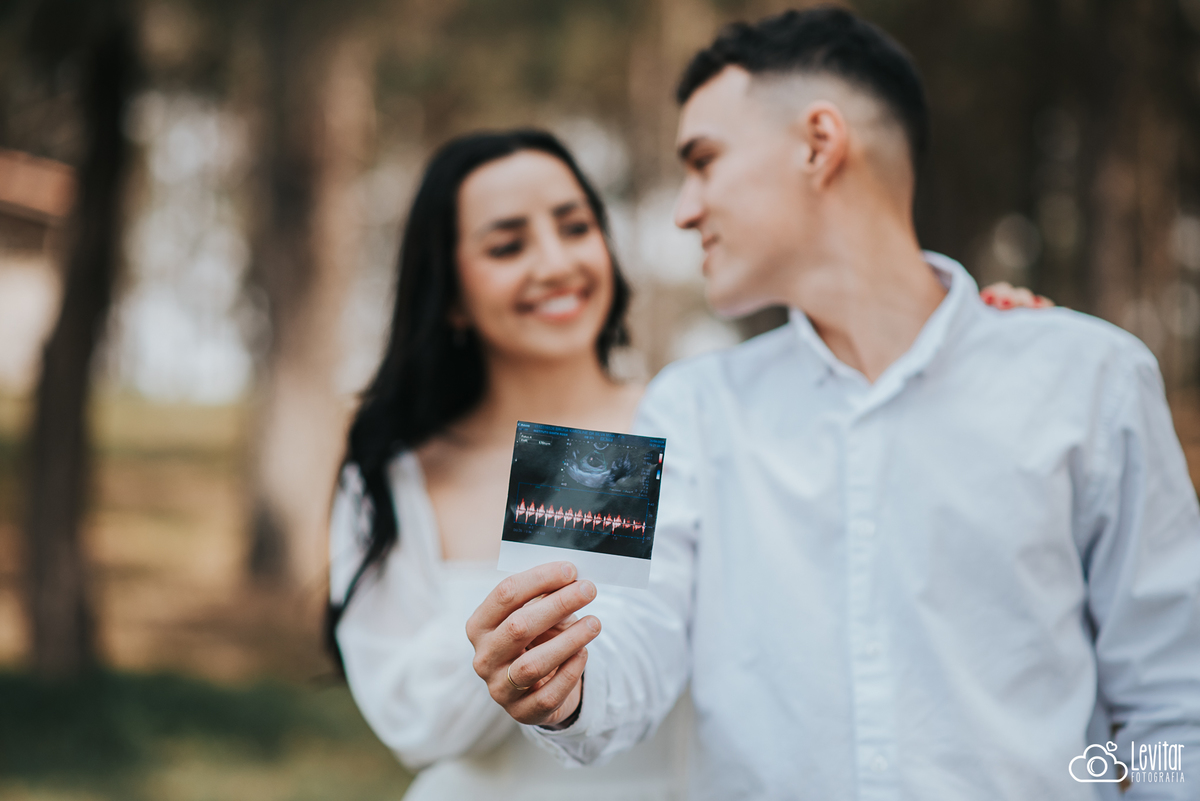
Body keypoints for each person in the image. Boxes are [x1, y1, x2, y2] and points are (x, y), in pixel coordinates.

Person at [465, 8, 1200, 801]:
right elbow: (621, 638)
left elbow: (1174, 704)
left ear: (818, 143)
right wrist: (562, 679)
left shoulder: (1093, 378)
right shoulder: (685, 405)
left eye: (704, 161)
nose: (683, 209)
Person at [326, 130, 690, 800]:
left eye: (575, 227)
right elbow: (408, 723)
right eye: (507, 245)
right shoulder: (395, 471)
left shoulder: (691, 427)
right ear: (450, 293)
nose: (554, 263)